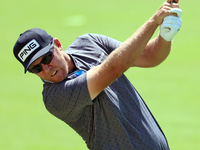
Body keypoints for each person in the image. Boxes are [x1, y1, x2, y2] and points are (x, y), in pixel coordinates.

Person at [13, 0, 182, 149]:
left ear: (57, 44)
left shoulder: (89, 43)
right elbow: (113, 69)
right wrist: (153, 21)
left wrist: (166, 34)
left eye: (47, 57)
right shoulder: (55, 97)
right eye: (36, 69)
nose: (46, 69)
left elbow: (149, 56)